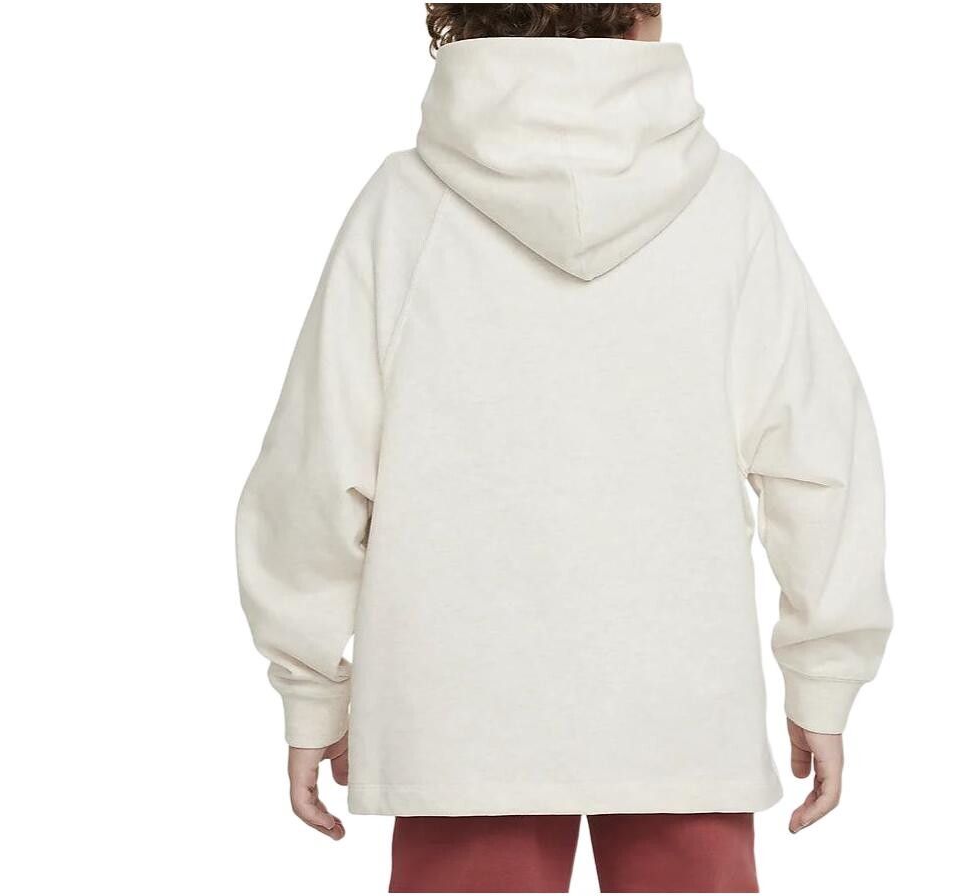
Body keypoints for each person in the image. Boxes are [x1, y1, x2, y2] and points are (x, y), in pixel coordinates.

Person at [236, 4, 893, 892]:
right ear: (641, 14)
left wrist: (310, 687)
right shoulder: (723, 203)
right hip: (681, 711)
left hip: (459, 718)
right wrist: (824, 673)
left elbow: (316, 472)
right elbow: (819, 456)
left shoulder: (404, 207)